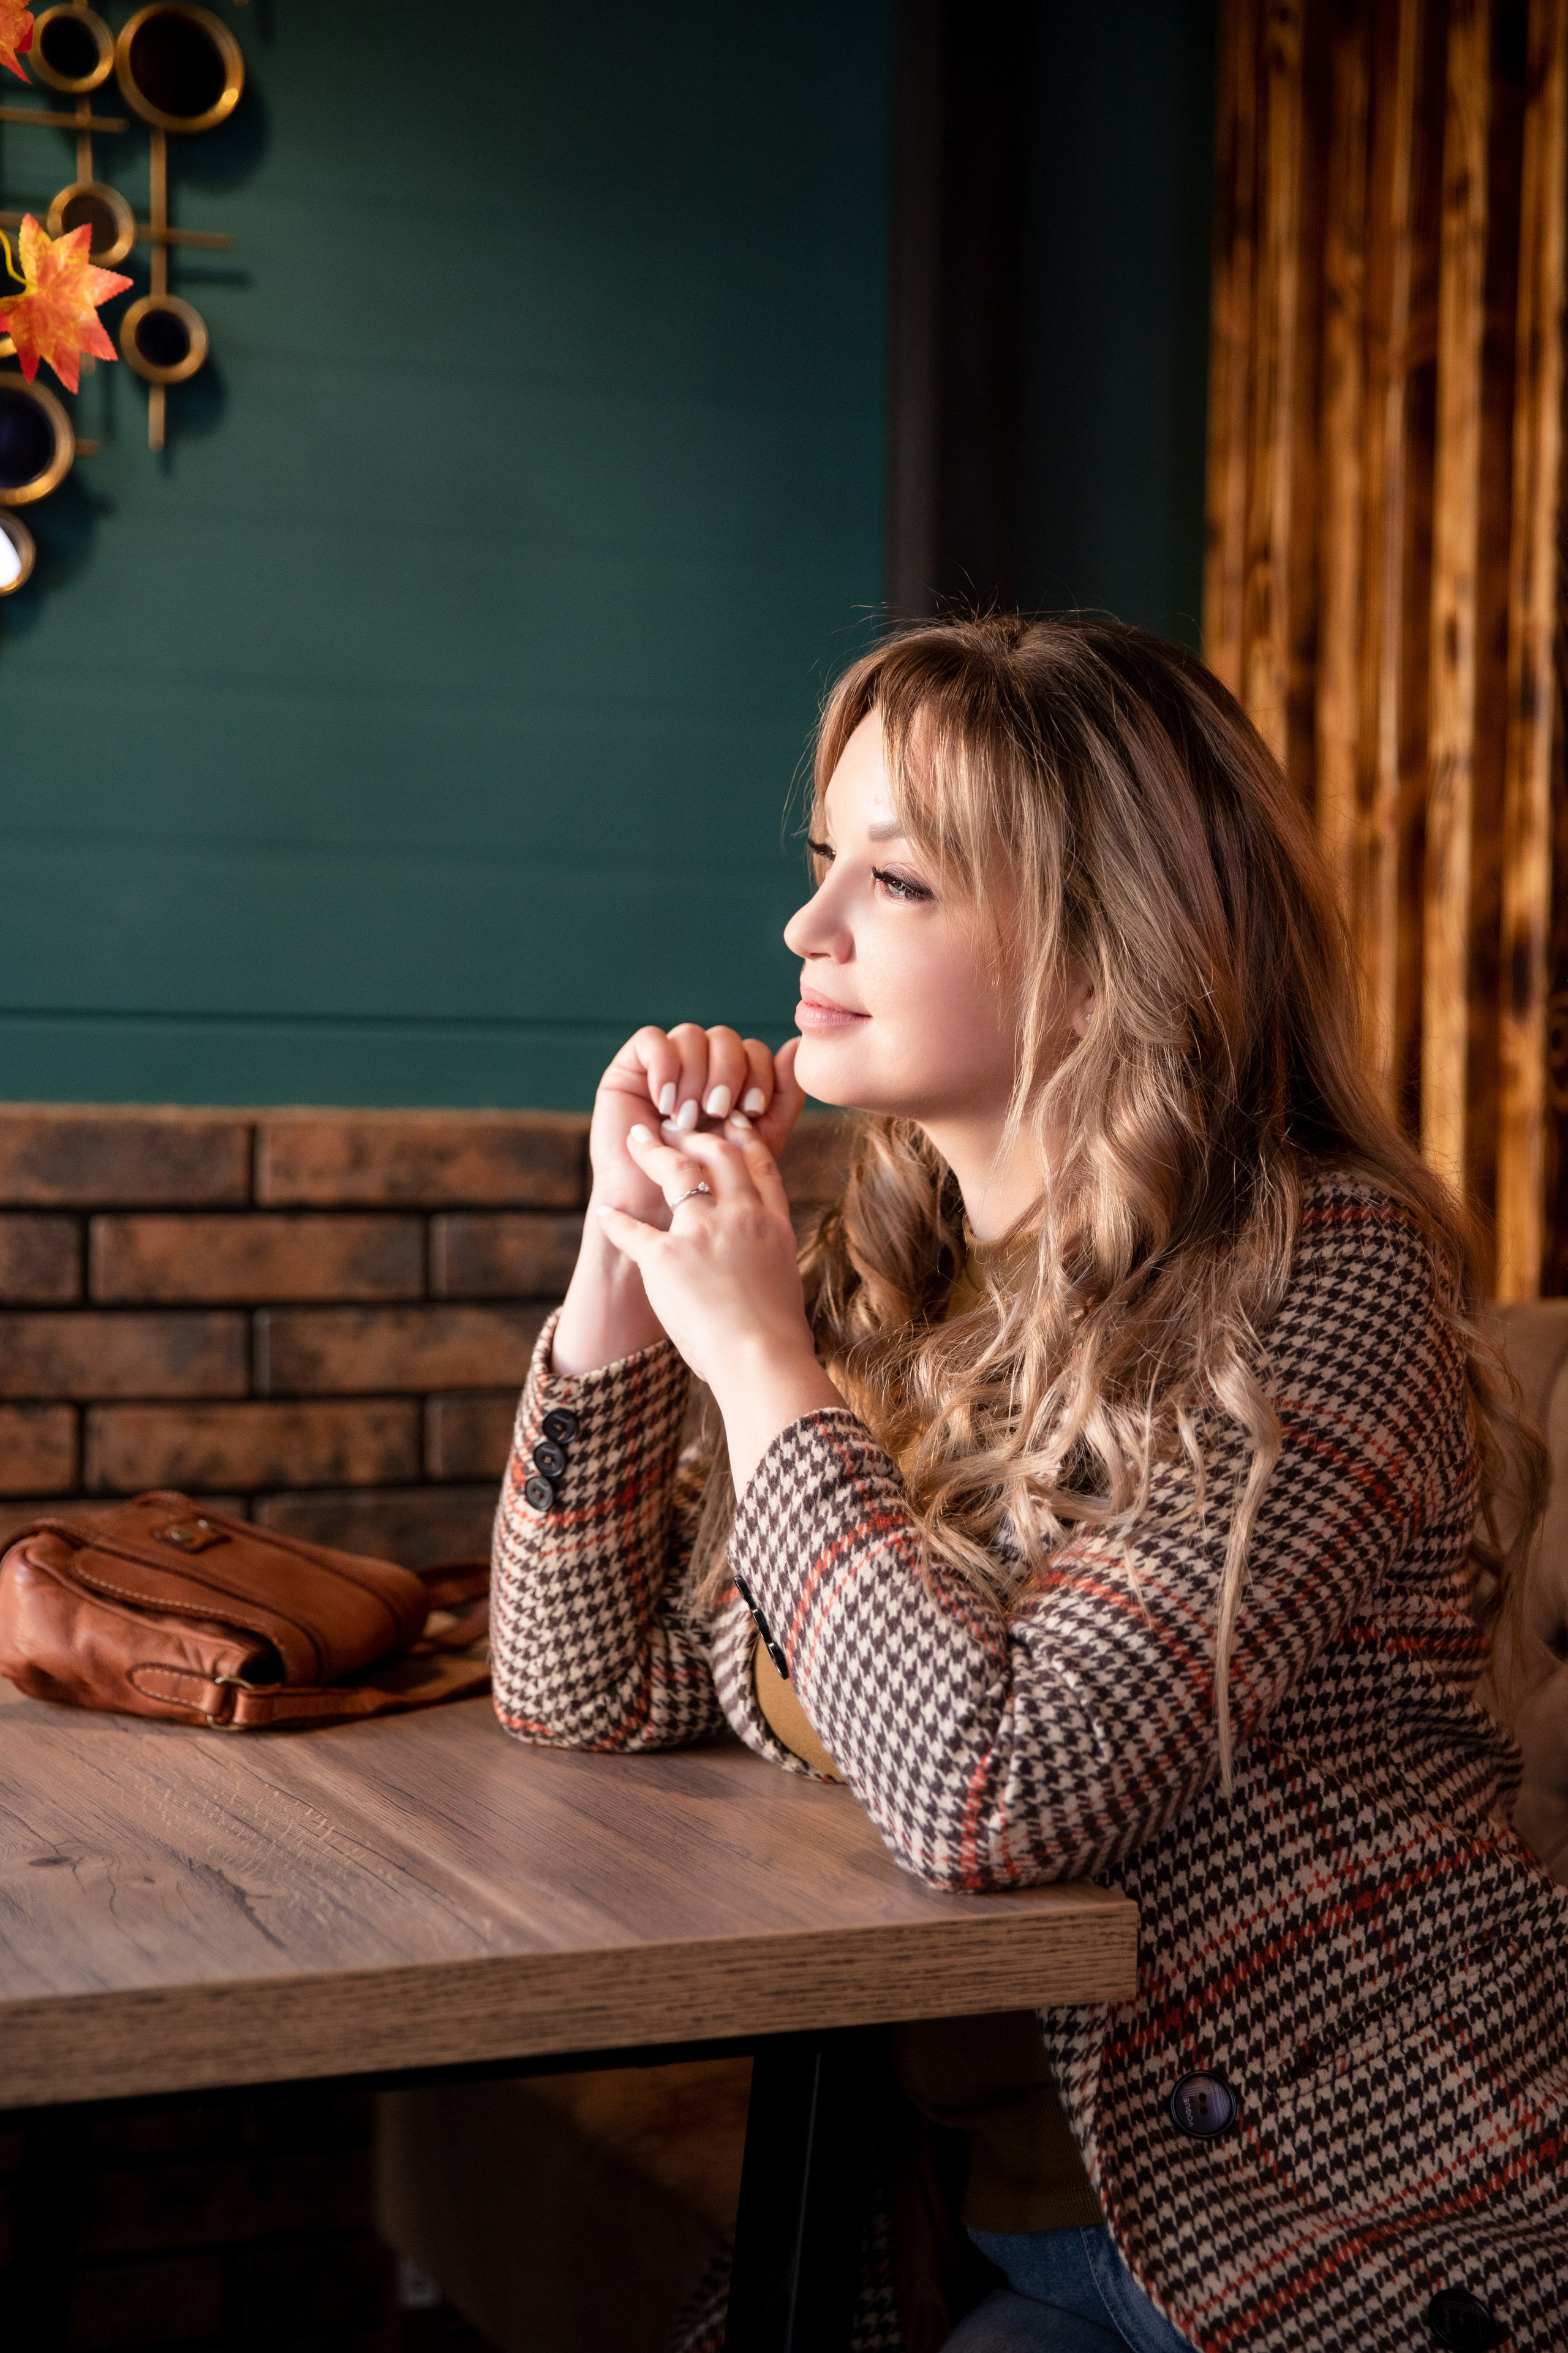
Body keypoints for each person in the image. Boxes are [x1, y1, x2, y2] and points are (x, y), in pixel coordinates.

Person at [489, 616, 1568, 2353]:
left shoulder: (1323, 1273)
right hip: (1012, 2234)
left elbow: (1002, 1782)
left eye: (896, 882)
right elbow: (580, 1689)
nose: (806, 927)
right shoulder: (900, 1278)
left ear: (1100, 950)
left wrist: (764, 1366)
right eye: (821, 861)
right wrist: (622, 1266)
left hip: (1348, 2219)